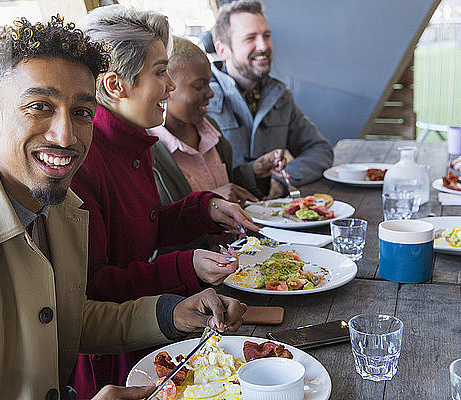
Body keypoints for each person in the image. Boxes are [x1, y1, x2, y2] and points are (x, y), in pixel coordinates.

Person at [0, 16, 247, 399]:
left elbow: (68, 318)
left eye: (81, 112)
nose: (65, 136)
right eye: (39, 107)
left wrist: (172, 314)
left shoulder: (59, 208)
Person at [69, 6, 257, 399]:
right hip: (111, 365)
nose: (170, 86)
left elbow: (144, 224)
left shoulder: (135, 141)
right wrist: (185, 265)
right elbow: (97, 286)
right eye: (160, 72)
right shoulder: (85, 160)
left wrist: (203, 208)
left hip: (152, 338)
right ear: (115, 85)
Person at [208, 0, 334, 199]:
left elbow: (320, 150)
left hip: (275, 219)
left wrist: (284, 180)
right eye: (250, 38)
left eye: (266, 36)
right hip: (222, 224)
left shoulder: (281, 96)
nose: (263, 45)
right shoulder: (201, 100)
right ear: (223, 50)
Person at [150, 35, 268, 206]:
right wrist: (207, 203)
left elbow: (225, 186)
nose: (210, 93)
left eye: (209, 83)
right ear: (167, 87)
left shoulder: (210, 130)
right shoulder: (152, 152)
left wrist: (253, 172)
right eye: (199, 86)